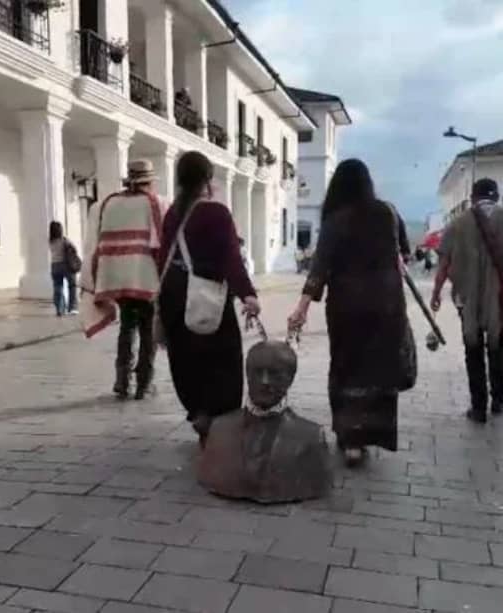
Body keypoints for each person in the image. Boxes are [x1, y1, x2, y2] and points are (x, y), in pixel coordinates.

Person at [287, 159, 410, 465]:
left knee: (347, 367)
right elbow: (404, 253)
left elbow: (321, 267)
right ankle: (373, 434)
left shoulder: (336, 220)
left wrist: (302, 306)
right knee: (378, 369)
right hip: (387, 303)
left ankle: (350, 439)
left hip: (347, 306)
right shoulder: (388, 213)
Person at [158, 151, 260, 444]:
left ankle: (199, 412)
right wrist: (247, 295)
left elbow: (162, 256)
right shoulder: (216, 213)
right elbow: (231, 258)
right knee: (221, 359)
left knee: (185, 358)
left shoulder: (173, 213)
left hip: (175, 294)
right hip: (209, 294)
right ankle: (216, 418)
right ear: (207, 178)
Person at [431, 178, 503, 424]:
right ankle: (499, 399)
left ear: (472, 197)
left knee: (472, 350)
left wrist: (436, 293)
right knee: (497, 346)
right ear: (496, 196)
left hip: (467, 298)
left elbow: (443, 264)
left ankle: (478, 407)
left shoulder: (457, 223)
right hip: (498, 298)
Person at [197, 339, 332, 503]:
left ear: (290, 379)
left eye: (275, 373)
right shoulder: (219, 429)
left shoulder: (312, 437)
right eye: (257, 372)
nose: (265, 381)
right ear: (247, 375)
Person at [83, 160, 165, 400]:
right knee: (148, 332)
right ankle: (144, 384)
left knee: (127, 329)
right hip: (146, 280)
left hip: (116, 279)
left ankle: (121, 381)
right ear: (148, 183)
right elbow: (163, 244)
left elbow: (94, 244)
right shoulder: (156, 204)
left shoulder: (108, 204)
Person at [48, 221, 79, 317]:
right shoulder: (64, 240)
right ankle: (72, 307)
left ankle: (60, 309)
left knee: (58, 287)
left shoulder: (50, 241)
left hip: (54, 266)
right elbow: (74, 248)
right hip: (65, 265)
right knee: (72, 285)